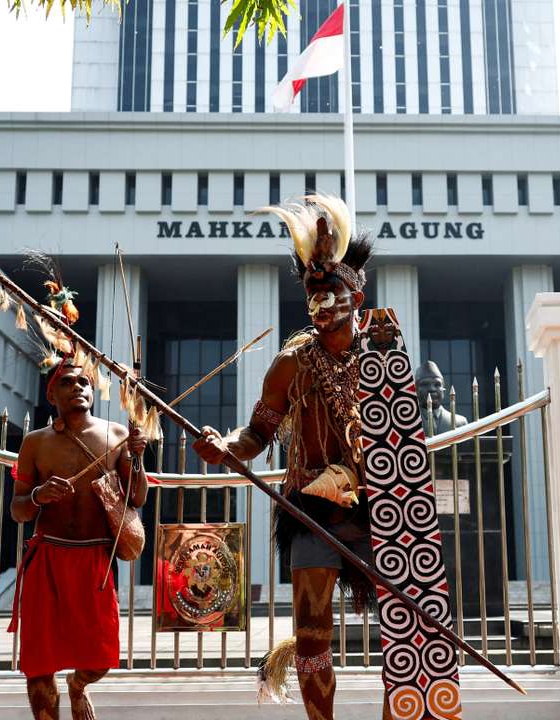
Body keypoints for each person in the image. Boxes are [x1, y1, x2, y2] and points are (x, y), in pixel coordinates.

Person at [193, 194, 387, 720]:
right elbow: (257, 431)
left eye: (333, 294)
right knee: (310, 638)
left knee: (409, 625)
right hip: (310, 511)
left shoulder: (384, 355)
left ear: (357, 297)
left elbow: (405, 434)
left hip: (382, 508)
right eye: (313, 296)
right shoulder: (290, 363)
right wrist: (227, 446)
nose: (322, 306)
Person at [9, 355, 150, 720]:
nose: (78, 388)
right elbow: (18, 510)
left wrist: (137, 458)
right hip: (49, 559)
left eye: (84, 382)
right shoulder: (35, 443)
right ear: (52, 392)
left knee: (102, 655)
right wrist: (39, 496)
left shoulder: (117, 435)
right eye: (68, 383)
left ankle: (77, 686)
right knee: (39, 663)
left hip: (94, 562)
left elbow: (136, 497)